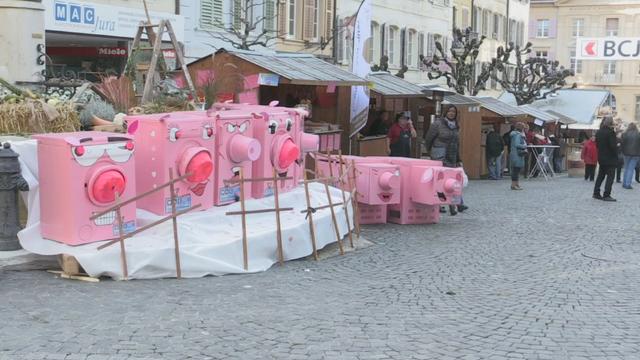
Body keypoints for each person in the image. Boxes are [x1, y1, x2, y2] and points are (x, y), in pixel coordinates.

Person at [425, 104, 468, 215]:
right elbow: (428, 139)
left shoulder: (456, 126)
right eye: (449, 111)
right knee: (440, 181)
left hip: (452, 155)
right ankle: (440, 204)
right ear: (445, 112)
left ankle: (455, 204)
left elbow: (457, 143)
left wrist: (459, 158)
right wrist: (432, 152)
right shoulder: (437, 124)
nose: (451, 113)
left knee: (452, 181)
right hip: (439, 155)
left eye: (453, 111)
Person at [593, 117, 618, 201]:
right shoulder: (611, 132)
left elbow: (597, 145)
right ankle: (606, 195)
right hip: (610, 158)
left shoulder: (599, 132)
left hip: (601, 157)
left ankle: (596, 193)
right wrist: (617, 150)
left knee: (600, 176)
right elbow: (613, 146)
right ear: (611, 123)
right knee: (610, 177)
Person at [621, 122, 640, 189]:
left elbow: (622, 144)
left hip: (626, 153)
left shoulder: (624, 134)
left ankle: (624, 183)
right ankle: (628, 184)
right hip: (636, 154)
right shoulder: (638, 134)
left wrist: (623, 152)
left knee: (626, 168)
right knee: (631, 169)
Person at [509, 122, 527, 190]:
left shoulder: (514, 134)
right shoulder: (518, 135)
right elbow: (517, 144)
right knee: (516, 171)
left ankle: (516, 184)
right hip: (517, 154)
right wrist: (524, 146)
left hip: (515, 154)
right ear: (521, 128)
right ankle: (514, 185)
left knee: (516, 170)